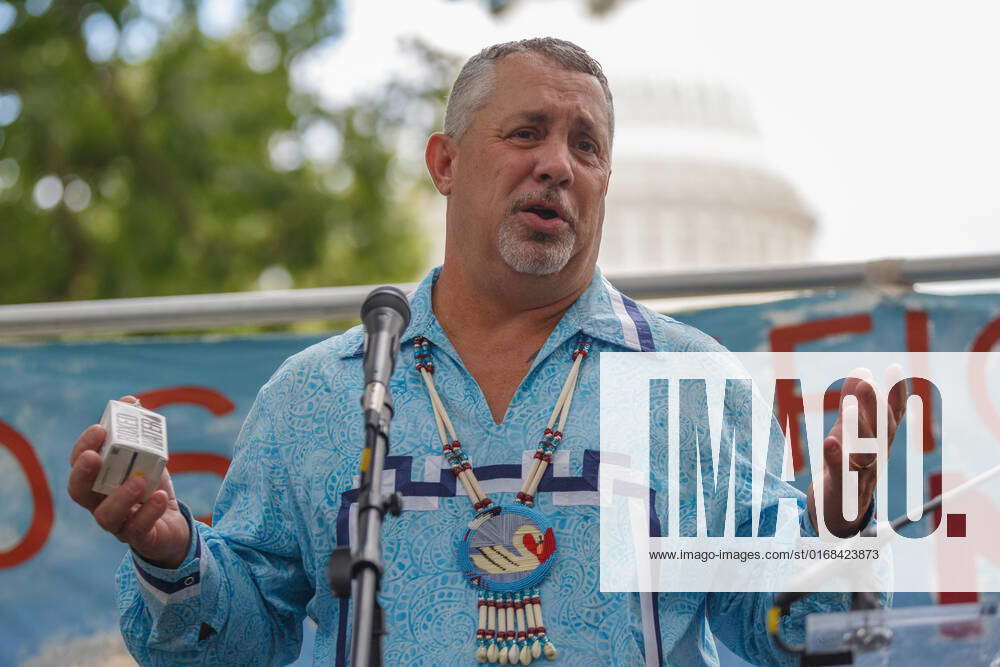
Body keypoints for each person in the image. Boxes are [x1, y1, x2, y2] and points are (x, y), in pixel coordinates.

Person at [67, 38, 902, 665]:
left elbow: (807, 643)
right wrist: (172, 554)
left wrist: (836, 541)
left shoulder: (690, 386)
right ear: (445, 162)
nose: (556, 165)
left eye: (586, 145)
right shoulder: (318, 393)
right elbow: (238, 641)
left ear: (607, 180)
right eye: (527, 132)